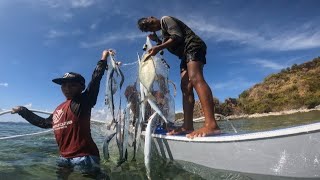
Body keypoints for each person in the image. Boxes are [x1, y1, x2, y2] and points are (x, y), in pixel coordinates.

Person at [11, 49, 114, 179]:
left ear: (81, 87)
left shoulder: (84, 101)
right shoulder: (59, 108)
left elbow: (95, 79)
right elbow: (43, 123)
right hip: (64, 158)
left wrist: (103, 58)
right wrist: (22, 111)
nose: (66, 88)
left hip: (85, 157)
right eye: (64, 85)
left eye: (72, 85)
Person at [137, 16, 220, 138]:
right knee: (185, 87)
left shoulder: (166, 19)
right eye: (148, 28)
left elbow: (177, 37)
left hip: (193, 45)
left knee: (195, 78)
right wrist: (157, 41)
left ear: (152, 17)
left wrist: (159, 47)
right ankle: (187, 126)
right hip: (184, 55)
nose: (152, 27)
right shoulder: (164, 34)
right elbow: (169, 43)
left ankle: (211, 125)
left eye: (150, 23)